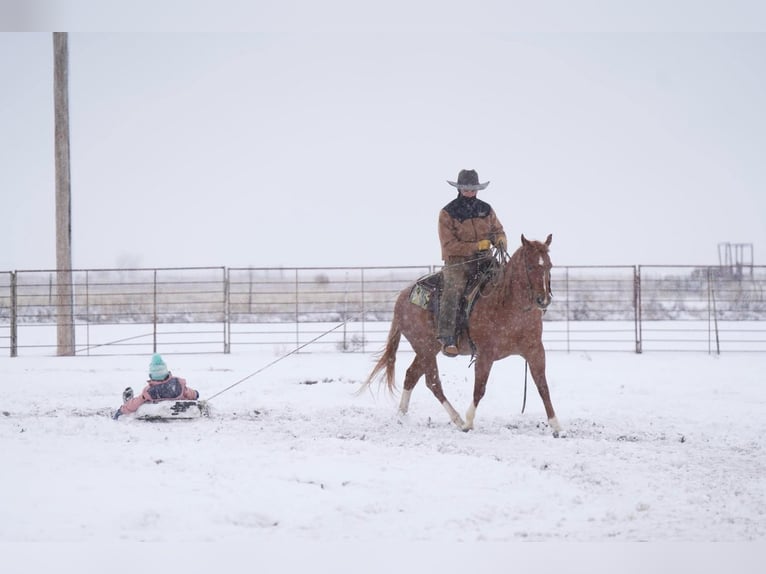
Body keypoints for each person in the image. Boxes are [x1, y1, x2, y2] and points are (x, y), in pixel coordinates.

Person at [437, 169, 507, 356]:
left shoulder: (486, 209)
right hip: (458, 264)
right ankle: (448, 337)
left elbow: (497, 230)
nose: (469, 191)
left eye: (473, 188)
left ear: (477, 189)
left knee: (508, 280)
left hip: (485, 260)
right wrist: (477, 246)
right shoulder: (447, 212)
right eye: (466, 188)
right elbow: (449, 245)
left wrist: (500, 239)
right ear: (459, 188)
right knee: (452, 291)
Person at [112, 353, 199, 419]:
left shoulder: (149, 391)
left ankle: (128, 401)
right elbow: (189, 393)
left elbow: (136, 403)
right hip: (176, 405)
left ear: (152, 375)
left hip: (155, 406)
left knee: (137, 401)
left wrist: (121, 410)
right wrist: (195, 394)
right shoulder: (178, 383)